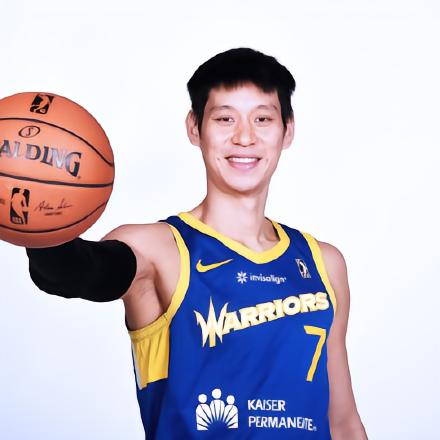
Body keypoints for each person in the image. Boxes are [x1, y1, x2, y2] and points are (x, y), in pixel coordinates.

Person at [26, 47, 368, 439]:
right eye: (224, 119)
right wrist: (33, 198)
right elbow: (72, 272)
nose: (244, 137)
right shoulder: (160, 250)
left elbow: (342, 423)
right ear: (195, 128)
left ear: (287, 130)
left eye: (262, 119)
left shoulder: (323, 263)